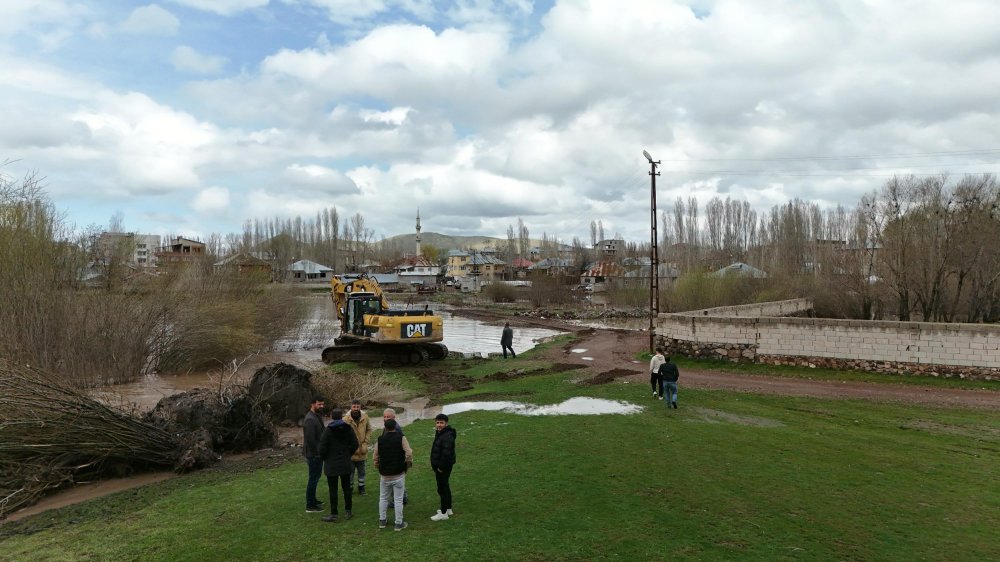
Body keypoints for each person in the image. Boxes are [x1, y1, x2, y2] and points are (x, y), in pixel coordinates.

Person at [318, 408, 359, 522]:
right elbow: (355, 444)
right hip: (345, 462)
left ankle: (334, 514)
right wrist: (348, 453)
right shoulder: (348, 428)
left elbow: (322, 448)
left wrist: (326, 458)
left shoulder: (328, 430)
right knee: (347, 488)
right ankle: (348, 511)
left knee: (333, 489)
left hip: (331, 464)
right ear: (341, 417)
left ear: (332, 417)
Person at [373, 419, 413, 531]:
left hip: (384, 474)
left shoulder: (380, 439)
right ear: (395, 426)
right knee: (398, 499)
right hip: (398, 474)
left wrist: (377, 466)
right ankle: (398, 523)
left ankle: (382, 520)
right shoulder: (401, 438)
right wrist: (407, 463)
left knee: (383, 497)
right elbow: (408, 452)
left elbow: (375, 456)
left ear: (385, 427)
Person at [429, 413, 457, 522]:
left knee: (442, 488)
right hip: (442, 466)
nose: (439, 425)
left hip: (443, 467)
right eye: (437, 422)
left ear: (446, 423)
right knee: (445, 486)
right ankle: (448, 509)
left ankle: (444, 513)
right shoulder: (441, 433)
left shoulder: (447, 436)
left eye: (441, 423)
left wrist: (440, 467)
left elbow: (446, 454)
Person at [344, 399, 372, 496]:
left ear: (360, 407)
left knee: (362, 472)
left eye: (357, 407)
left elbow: (369, 430)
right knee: (350, 473)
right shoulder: (346, 419)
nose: (356, 409)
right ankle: (350, 489)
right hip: (351, 453)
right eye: (354, 407)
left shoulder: (365, 417)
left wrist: (366, 442)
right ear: (351, 407)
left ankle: (361, 488)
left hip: (362, 451)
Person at [303, 396, 325, 513]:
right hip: (313, 455)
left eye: (322, 404)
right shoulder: (310, 419)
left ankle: (313, 499)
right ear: (312, 404)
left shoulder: (316, 416)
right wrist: (317, 454)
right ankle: (310, 505)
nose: (321, 406)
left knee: (316, 478)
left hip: (316, 453)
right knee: (313, 479)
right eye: (319, 404)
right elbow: (311, 440)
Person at [382, 408, 408, 508]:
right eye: (384, 417)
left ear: (394, 417)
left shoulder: (395, 429)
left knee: (395, 480)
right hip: (394, 458)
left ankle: (399, 500)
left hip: (395, 459)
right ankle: (403, 497)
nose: (386, 419)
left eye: (388, 417)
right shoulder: (388, 427)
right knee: (398, 481)